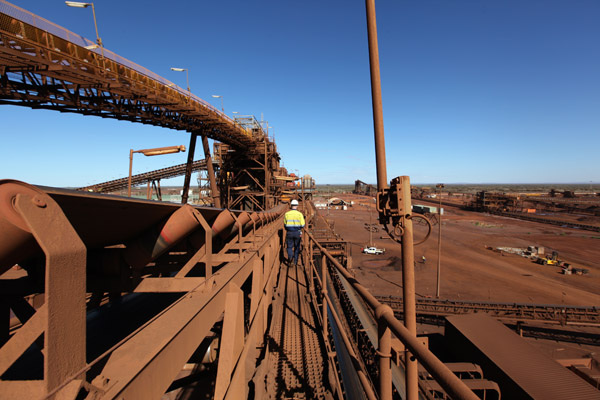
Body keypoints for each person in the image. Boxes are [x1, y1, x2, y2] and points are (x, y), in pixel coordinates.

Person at [284, 199, 305, 266]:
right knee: (297, 247)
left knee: (289, 247)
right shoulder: (300, 214)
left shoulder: (287, 214)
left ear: (291, 205)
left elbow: (285, 224)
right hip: (297, 233)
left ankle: (290, 257)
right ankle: (295, 261)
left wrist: (288, 229)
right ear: (297, 206)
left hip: (289, 232)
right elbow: (302, 224)